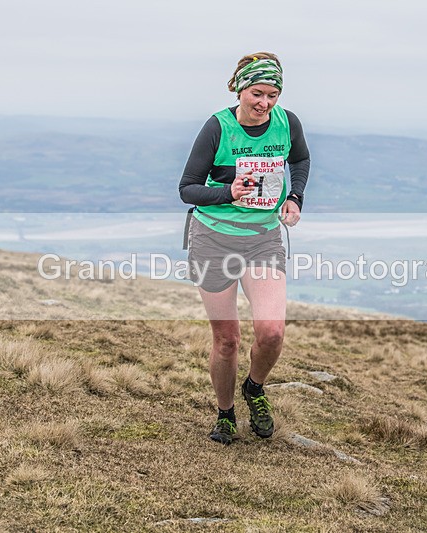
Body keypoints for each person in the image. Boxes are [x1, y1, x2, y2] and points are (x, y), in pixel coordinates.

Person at [179, 52, 310, 445]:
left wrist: (295, 198)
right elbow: (187, 188)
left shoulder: (288, 123)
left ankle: (254, 389)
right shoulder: (217, 128)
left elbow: (300, 159)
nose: (265, 103)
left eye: (273, 94)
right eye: (257, 93)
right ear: (240, 89)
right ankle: (225, 414)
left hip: (263, 240)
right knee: (227, 339)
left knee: (271, 332)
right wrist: (227, 192)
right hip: (213, 239)